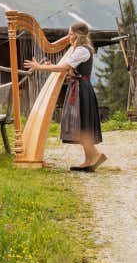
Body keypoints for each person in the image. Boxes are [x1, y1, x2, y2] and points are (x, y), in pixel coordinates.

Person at [24, 21, 106, 171]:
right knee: (80, 122)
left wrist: (40, 67)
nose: (68, 37)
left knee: (81, 123)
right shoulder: (79, 50)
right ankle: (90, 158)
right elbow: (69, 70)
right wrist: (50, 65)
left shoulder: (82, 50)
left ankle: (94, 155)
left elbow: (64, 67)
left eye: (70, 34)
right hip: (79, 87)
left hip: (81, 90)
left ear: (77, 35)